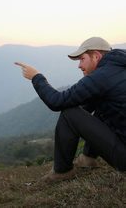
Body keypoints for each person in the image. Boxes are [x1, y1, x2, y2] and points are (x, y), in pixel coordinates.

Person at [15, 37, 126, 183]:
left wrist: (36, 77)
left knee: (69, 113)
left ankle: (62, 171)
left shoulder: (102, 77)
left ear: (96, 56)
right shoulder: (118, 68)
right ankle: (88, 159)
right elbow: (87, 109)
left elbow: (57, 102)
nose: (79, 65)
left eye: (82, 59)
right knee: (98, 104)